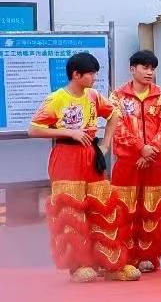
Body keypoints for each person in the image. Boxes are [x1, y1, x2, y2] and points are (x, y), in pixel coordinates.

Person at [28, 52, 137, 282]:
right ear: (76, 75)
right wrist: (69, 132)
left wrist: (106, 144)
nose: (94, 78)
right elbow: (34, 128)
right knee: (71, 211)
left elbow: (113, 114)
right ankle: (77, 265)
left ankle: (110, 262)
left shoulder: (94, 96)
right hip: (65, 156)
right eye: (91, 74)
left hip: (90, 154)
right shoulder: (57, 99)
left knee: (103, 208)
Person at [110, 49, 161, 273]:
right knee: (124, 209)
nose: (149, 72)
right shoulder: (117, 96)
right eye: (145, 67)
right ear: (132, 69)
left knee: (152, 209)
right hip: (128, 161)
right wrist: (140, 148)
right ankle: (124, 256)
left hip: (155, 162)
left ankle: (148, 256)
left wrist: (151, 152)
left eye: (152, 68)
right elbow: (117, 128)